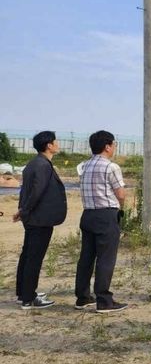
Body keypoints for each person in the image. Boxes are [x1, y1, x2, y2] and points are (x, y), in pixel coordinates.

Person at [75, 130, 127, 313]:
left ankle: (82, 297)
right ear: (107, 146)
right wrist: (122, 207)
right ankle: (104, 300)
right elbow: (120, 194)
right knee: (106, 258)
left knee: (86, 257)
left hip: (88, 214)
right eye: (113, 144)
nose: (114, 148)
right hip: (106, 215)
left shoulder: (84, 166)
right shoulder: (111, 167)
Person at [14, 131, 67, 310]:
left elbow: (26, 191)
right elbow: (36, 191)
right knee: (34, 258)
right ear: (49, 146)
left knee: (27, 255)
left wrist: (22, 210)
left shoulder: (32, 163)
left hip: (32, 217)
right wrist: (25, 210)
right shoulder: (43, 165)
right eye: (55, 142)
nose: (57, 144)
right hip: (39, 219)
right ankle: (29, 298)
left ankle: (23, 293)